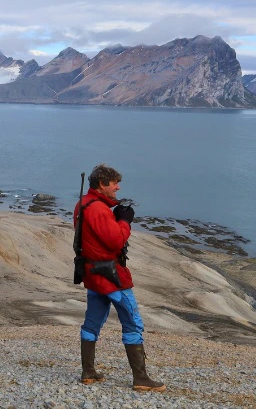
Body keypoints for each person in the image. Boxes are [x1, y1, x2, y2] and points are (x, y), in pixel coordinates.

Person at [75, 164, 166, 392]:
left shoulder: (83, 204)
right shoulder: (97, 209)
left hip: (92, 274)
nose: (118, 187)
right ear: (102, 184)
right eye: (114, 183)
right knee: (133, 323)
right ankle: (141, 378)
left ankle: (88, 372)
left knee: (92, 322)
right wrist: (125, 221)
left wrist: (114, 216)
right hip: (111, 276)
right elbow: (116, 241)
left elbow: (94, 236)